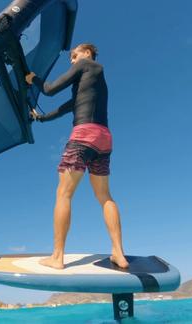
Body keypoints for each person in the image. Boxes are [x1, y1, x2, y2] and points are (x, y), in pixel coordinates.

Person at [25, 43, 129, 269]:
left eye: (74, 55)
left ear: (87, 53)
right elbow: (66, 107)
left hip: (84, 135)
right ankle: (118, 253)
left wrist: (33, 78)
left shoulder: (87, 64)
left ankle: (57, 256)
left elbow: (50, 89)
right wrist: (40, 118)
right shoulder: (93, 83)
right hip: (104, 138)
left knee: (64, 194)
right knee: (105, 196)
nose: (72, 61)